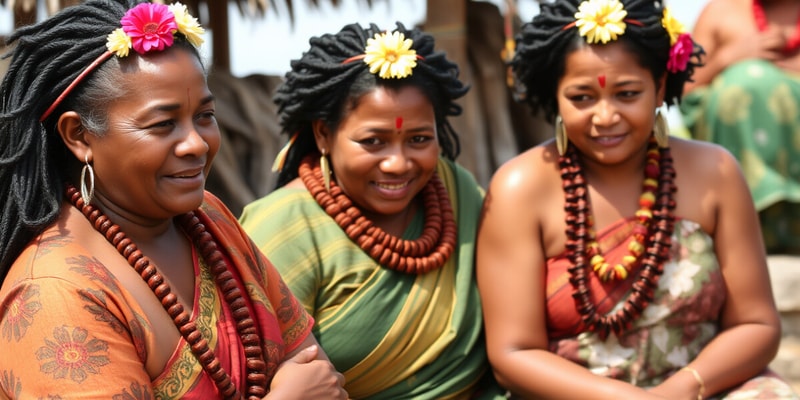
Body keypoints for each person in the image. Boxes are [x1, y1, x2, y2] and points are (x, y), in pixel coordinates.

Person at [0, 1, 347, 398]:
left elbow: (317, 372)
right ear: (79, 136)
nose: (197, 143)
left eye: (205, 115)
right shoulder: (54, 292)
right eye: (163, 124)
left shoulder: (210, 219)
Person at [476, 0, 798, 398]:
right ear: (554, 95)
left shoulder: (716, 173)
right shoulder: (519, 188)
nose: (606, 116)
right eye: (581, 98)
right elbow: (514, 352)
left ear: (660, 87)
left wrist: (684, 388)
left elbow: (757, 325)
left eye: (627, 94)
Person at [239, 22, 505, 399]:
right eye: (373, 141)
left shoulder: (457, 191)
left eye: (419, 139)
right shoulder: (283, 226)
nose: (398, 163)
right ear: (323, 135)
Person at [680, 0, 800, 253]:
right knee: (744, 80)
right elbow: (681, 92)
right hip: (738, 207)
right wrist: (726, 59)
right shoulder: (720, 13)